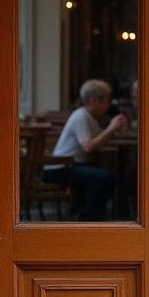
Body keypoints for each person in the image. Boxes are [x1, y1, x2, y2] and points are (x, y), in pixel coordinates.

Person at [44, 79, 128, 221]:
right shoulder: (81, 116)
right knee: (105, 178)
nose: (108, 106)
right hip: (60, 167)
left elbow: (99, 139)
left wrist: (115, 130)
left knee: (109, 176)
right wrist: (111, 128)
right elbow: (88, 147)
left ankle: (92, 217)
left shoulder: (91, 118)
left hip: (73, 165)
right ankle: (88, 220)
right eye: (106, 101)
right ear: (93, 101)